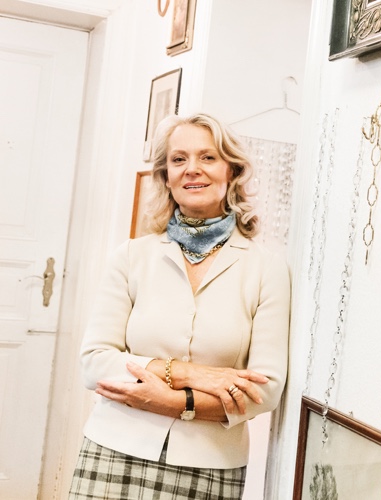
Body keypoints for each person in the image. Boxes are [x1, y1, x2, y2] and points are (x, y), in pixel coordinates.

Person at [69, 113, 290, 499]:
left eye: (208, 158)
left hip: (210, 466)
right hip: (112, 451)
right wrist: (195, 375)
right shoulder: (131, 257)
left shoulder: (267, 268)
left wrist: (175, 402)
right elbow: (94, 361)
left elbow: (265, 389)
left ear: (231, 172)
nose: (193, 170)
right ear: (165, 176)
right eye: (178, 159)